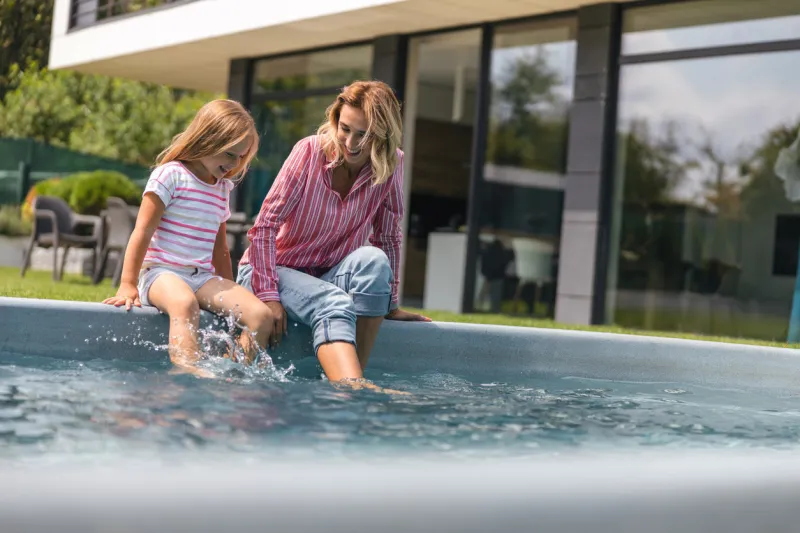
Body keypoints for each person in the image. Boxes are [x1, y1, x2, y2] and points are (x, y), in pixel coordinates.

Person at [237, 80, 430, 389]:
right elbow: (264, 228)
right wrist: (269, 296)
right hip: (269, 272)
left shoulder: (393, 162)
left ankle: (351, 380)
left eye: (363, 134)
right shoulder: (309, 151)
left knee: (374, 262)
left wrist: (388, 303)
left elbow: (388, 235)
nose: (350, 143)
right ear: (335, 120)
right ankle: (351, 386)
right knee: (333, 302)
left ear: (382, 134)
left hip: (326, 276)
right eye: (345, 129)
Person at [103, 99, 273, 377]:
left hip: (201, 277)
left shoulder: (221, 189)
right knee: (184, 304)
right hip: (160, 274)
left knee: (260, 316)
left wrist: (229, 287)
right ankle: (189, 371)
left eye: (241, 157)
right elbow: (142, 232)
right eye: (230, 155)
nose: (235, 164)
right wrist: (127, 284)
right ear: (208, 140)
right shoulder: (170, 176)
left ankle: (233, 375)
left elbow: (220, 248)